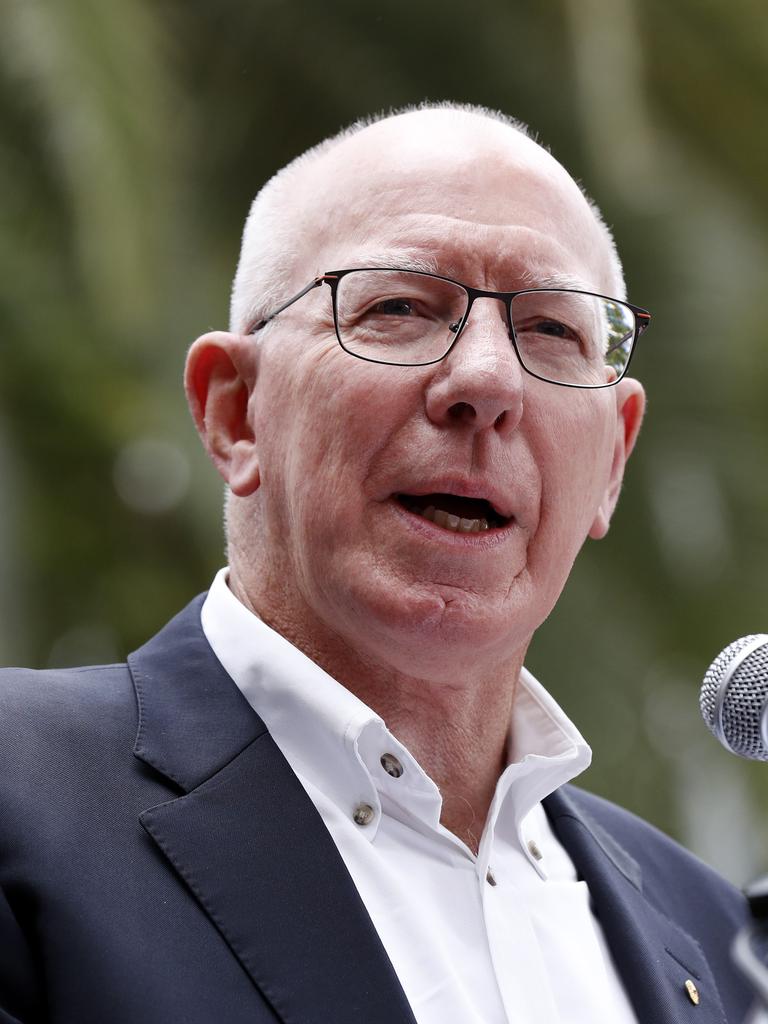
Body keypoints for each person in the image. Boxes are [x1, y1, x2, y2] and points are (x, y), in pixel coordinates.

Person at [0, 103, 752, 1024]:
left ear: (611, 464)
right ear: (236, 413)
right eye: (399, 307)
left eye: (553, 331)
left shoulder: (713, 935)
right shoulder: (21, 797)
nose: (487, 383)